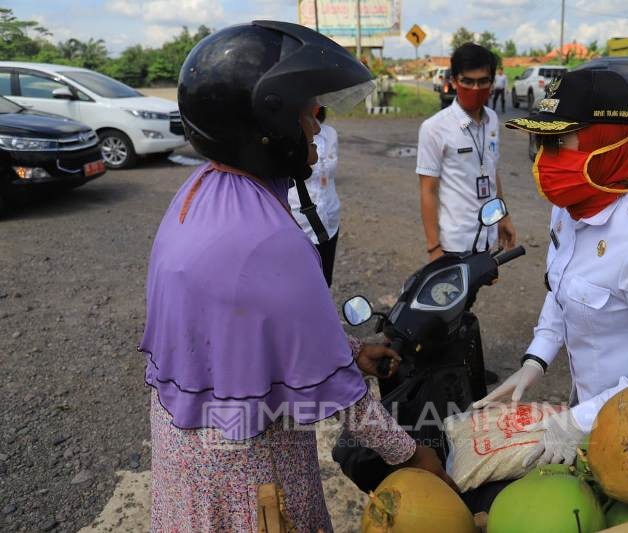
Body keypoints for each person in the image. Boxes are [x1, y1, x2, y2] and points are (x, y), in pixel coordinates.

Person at [140, 21, 453, 532]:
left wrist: (347, 351)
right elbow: (349, 403)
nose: (317, 127)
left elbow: (244, 329)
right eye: (308, 113)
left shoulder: (201, 192)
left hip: (189, 454)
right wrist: (413, 456)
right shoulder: (267, 237)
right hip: (250, 471)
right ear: (267, 121)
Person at [474, 70, 628, 466]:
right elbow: (561, 288)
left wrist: (573, 423)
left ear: (608, 140)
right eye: (541, 143)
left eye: (559, 142)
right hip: (587, 407)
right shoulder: (568, 209)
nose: (545, 160)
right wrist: (535, 360)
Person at [417, 43, 516, 263]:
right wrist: (433, 248)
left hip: (487, 238)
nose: (475, 88)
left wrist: (503, 216)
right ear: (454, 81)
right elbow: (428, 190)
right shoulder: (434, 128)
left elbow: (492, 171)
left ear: (492, 82)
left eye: (483, 81)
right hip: (453, 243)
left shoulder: (492, 121)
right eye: (467, 81)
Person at [288, 105, 340, 286]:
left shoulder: (330, 133)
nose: (317, 128)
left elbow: (329, 169)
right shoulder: (284, 138)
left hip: (329, 220)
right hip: (299, 223)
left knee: (324, 282)